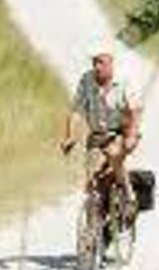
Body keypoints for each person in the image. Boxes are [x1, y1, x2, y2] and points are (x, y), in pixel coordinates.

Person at [60, 38, 142, 209]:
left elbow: (134, 111)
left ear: (111, 63)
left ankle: (129, 195)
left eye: (101, 62)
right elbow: (76, 111)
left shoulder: (123, 81)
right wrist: (70, 137)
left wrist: (131, 137)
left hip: (121, 132)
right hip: (97, 135)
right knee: (91, 182)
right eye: (94, 62)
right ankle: (94, 223)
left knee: (113, 155)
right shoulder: (87, 80)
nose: (97, 67)